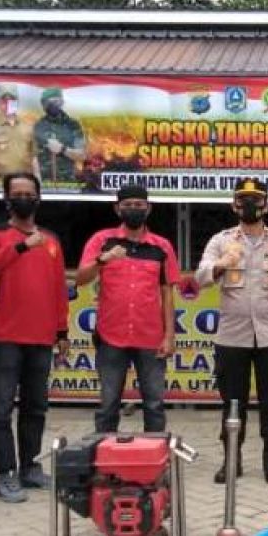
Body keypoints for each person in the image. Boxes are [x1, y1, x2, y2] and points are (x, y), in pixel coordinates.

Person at [198, 178, 268, 483]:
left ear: (266, 205)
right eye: (243, 200)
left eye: (255, 200)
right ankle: (232, 459)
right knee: (233, 401)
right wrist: (222, 263)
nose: (249, 205)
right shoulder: (221, 240)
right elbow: (202, 278)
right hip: (232, 336)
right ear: (234, 205)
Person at [0, 172, 69, 503]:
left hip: (41, 338)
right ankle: (5, 473)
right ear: (7, 199)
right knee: (0, 409)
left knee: (36, 407)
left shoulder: (51, 240)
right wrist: (20, 247)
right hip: (6, 337)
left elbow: (58, 291)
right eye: (18, 194)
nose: (24, 198)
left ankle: (29, 467)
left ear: (38, 199)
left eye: (30, 193)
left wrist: (62, 332)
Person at [76, 185, 179, 434]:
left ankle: (155, 463)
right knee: (108, 404)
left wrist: (169, 335)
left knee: (154, 404)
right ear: (117, 209)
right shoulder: (102, 241)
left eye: (139, 205)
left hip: (150, 337)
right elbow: (80, 279)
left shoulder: (162, 246)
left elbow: (167, 292)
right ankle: (102, 462)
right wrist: (104, 259)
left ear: (149, 208)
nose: (134, 209)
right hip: (111, 336)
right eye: (128, 205)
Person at [33, 87, 86, 185]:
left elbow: (82, 155)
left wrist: (62, 149)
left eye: (55, 101)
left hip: (68, 183)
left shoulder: (73, 125)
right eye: (48, 102)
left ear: (61, 102)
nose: (52, 105)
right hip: (44, 184)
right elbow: (33, 157)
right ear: (43, 104)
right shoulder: (38, 126)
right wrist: (37, 180)